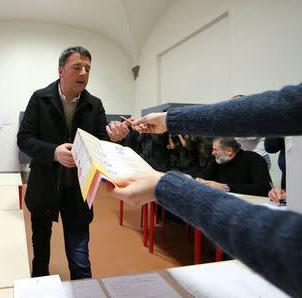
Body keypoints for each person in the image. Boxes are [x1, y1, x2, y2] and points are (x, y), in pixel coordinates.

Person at [106, 83, 302, 297]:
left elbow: (284, 243)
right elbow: (284, 105)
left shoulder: (253, 160)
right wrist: (170, 121)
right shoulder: (220, 161)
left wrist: (167, 187)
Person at [17, 46, 130, 280]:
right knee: (40, 255)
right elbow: (24, 139)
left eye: (88, 69)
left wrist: (113, 138)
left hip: (78, 190)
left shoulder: (94, 104)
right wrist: (53, 152)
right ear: (61, 71)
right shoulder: (40, 98)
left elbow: (100, 143)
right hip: (44, 188)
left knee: (80, 258)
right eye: (77, 67)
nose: (83, 73)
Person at [197, 137, 271, 196]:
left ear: (229, 151)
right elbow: (204, 175)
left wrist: (224, 187)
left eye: (215, 150)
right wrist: (199, 180)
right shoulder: (218, 160)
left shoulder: (253, 159)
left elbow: (262, 189)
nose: (213, 153)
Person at [231, 95, 271, 168]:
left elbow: (251, 136)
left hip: (258, 157)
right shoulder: (234, 120)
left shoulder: (253, 118)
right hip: (242, 158)